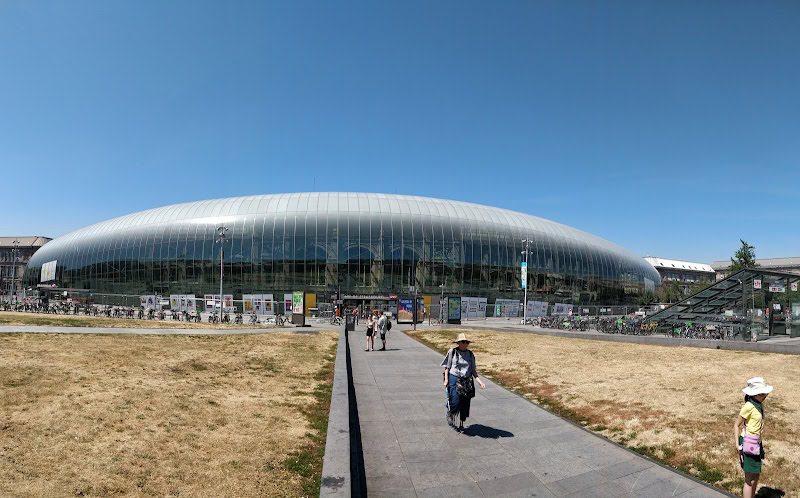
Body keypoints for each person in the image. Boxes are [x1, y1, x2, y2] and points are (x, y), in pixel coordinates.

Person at [734, 377, 773, 498]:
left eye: (765, 393)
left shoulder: (759, 404)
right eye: (762, 393)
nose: (764, 395)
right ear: (753, 394)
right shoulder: (749, 406)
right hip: (748, 443)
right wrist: (737, 444)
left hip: (756, 442)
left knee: (756, 475)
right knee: (749, 478)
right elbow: (736, 425)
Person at [441, 333, 485, 431]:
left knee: (465, 404)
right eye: (463, 342)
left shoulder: (470, 354)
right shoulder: (452, 352)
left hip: (467, 380)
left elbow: (473, 370)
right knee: (455, 402)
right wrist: (446, 380)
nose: (465, 344)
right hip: (454, 378)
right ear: (458, 343)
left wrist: (479, 381)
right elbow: (447, 367)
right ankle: (450, 410)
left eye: (467, 342)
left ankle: (461, 424)